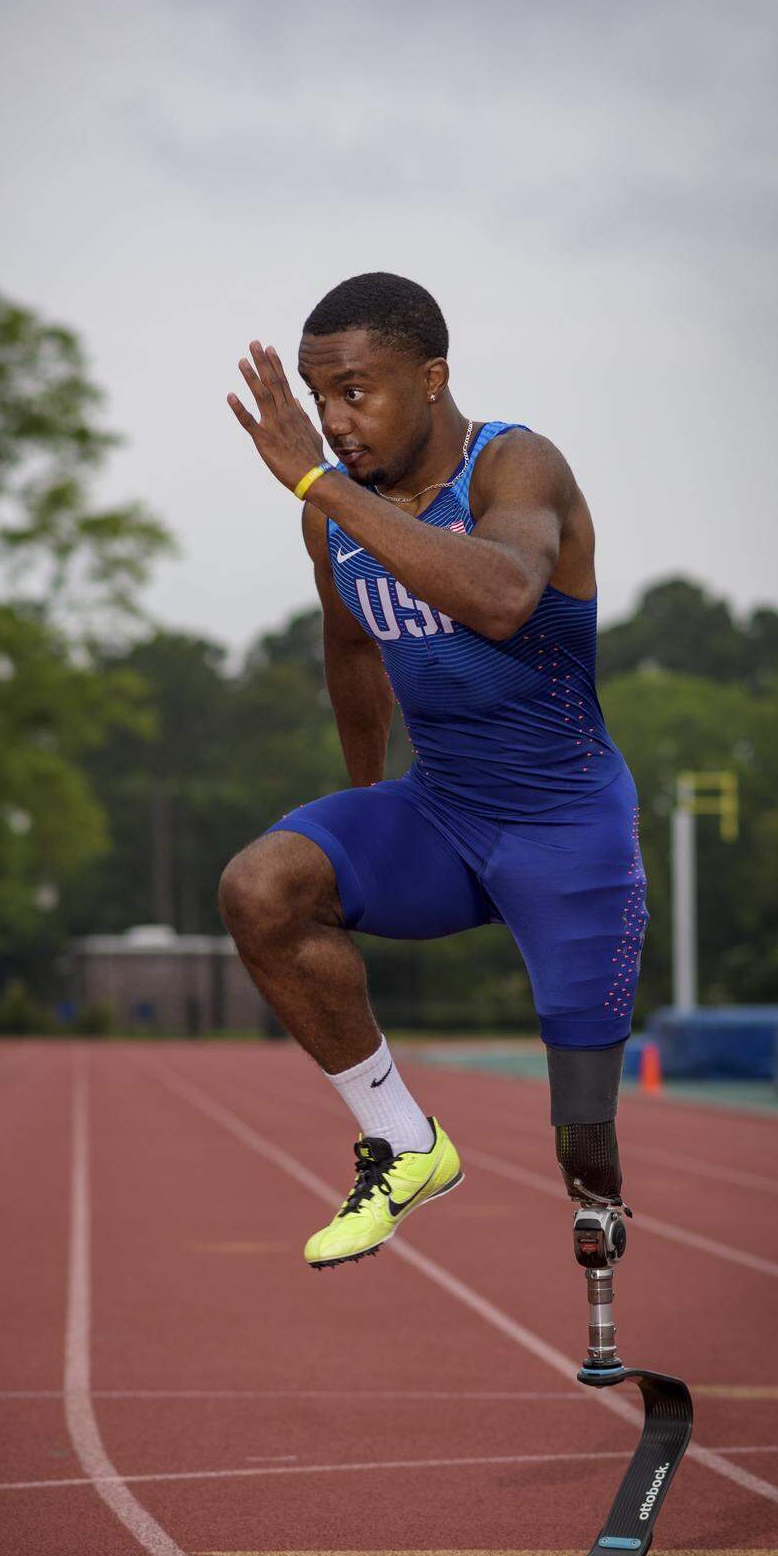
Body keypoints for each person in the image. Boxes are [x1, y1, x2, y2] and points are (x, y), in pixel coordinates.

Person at [220, 272, 645, 1270]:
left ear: (432, 377)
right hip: (443, 815)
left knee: (586, 1153)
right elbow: (351, 649)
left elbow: (502, 595)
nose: (332, 422)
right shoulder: (334, 514)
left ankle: (602, 1270)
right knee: (262, 889)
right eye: (318, 398)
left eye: (353, 392)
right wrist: (366, 801)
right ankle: (404, 1143)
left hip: (567, 830)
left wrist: (319, 484)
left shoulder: (516, 464)